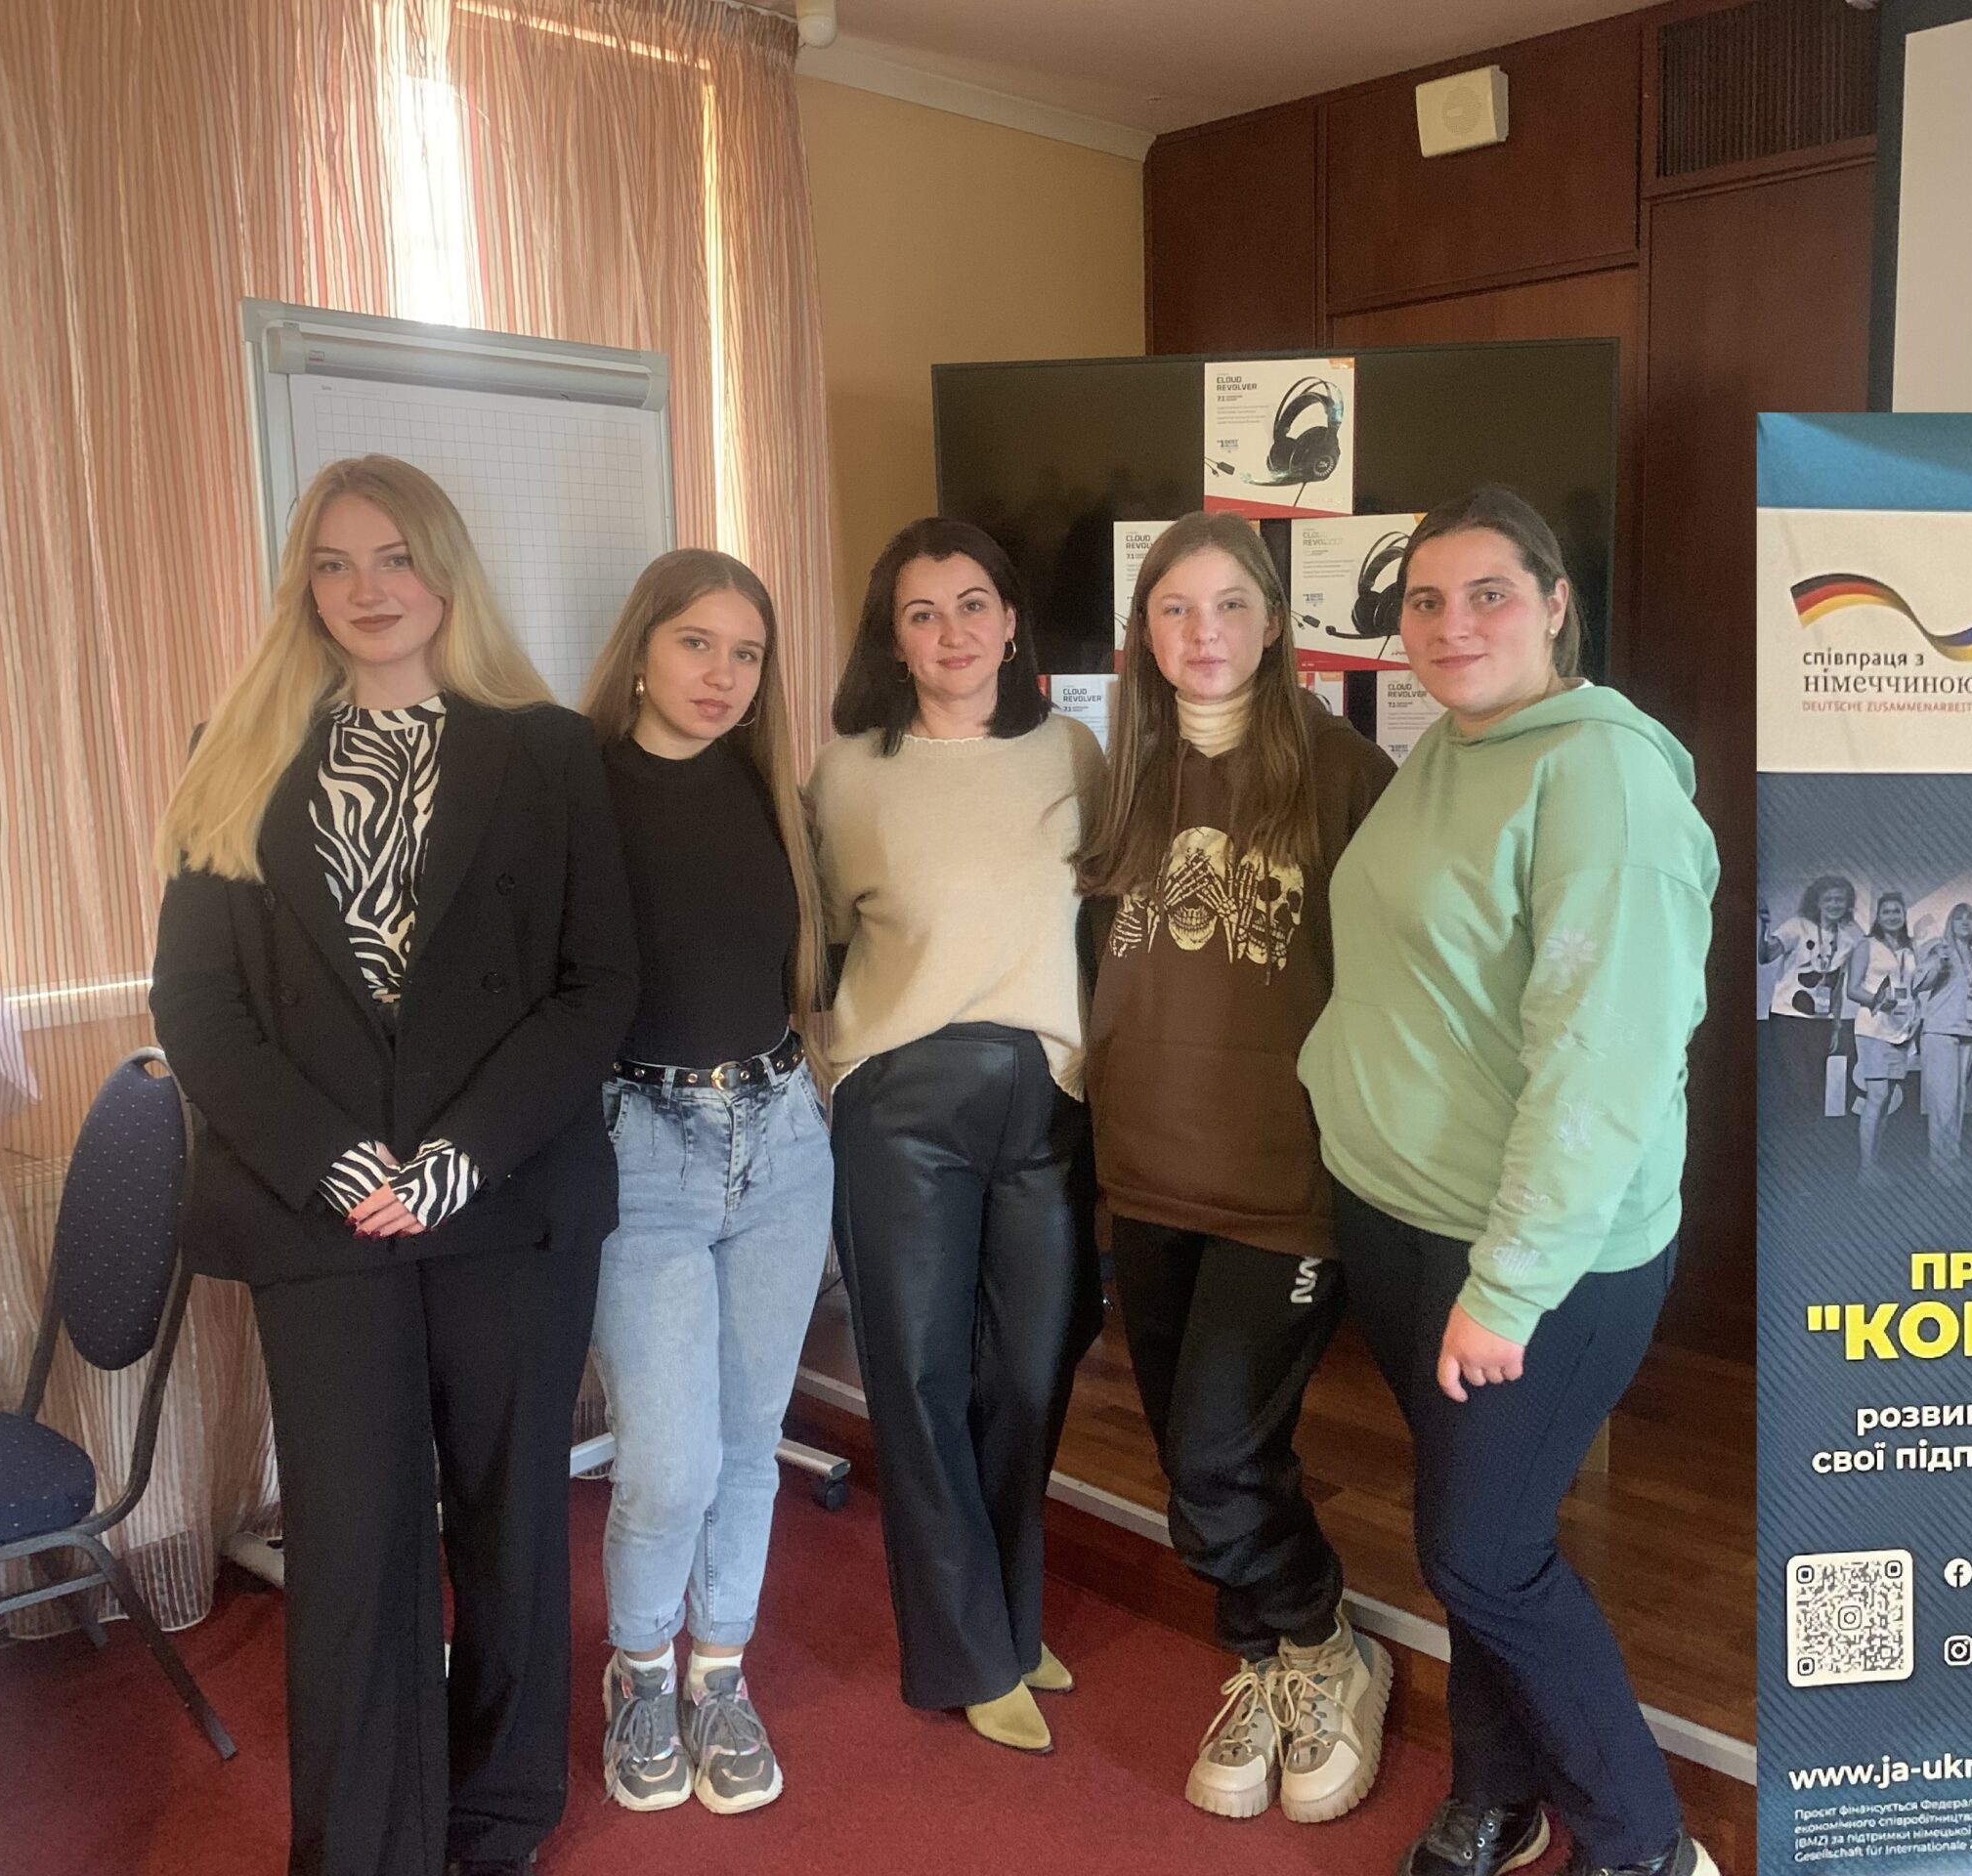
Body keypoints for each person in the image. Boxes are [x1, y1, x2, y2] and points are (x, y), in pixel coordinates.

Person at [149, 455, 636, 1876]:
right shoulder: (234, 749)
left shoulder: (548, 753)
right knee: (354, 1546)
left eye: (395, 557)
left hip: (505, 1200)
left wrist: (458, 1158)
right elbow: (197, 1004)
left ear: (446, 570)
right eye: (335, 563)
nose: (368, 589)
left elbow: (596, 986)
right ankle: (364, 1848)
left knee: (510, 1526)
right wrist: (335, 1160)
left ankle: (498, 1819)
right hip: (322, 1215)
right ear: (304, 586)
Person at [1300, 487, 1719, 1876]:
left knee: (1481, 1552)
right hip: (1401, 1212)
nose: (1451, 624)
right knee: (1474, 1526)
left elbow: (1605, 1060)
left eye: (1488, 593)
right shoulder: (1450, 745)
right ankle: (1498, 1787)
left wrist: (1510, 1283)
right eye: (1423, 601)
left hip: (1537, 1252)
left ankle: (1644, 1840)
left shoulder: (1604, 779)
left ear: (1554, 605)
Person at [1076, 513, 1396, 1823]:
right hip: (1145, 1174)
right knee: (1195, 1455)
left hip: (1287, 1190)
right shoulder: (1123, 776)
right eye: (1174, 609)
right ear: (1143, 635)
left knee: (1215, 1457)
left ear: (1273, 624)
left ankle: (1325, 1643)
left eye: (1227, 606)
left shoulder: (1349, 775)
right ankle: (1266, 1665)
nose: (1202, 633)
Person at [809, 519, 1106, 1754]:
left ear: (1011, 621)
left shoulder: (1073, 752)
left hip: (1045, 1098)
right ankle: (962, 1651)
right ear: (893, 638)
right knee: (920, 1383)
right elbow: (828, 938)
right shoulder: (845, 773)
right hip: (903, 1108)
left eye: (972, 604)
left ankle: (1008, 1619)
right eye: (921, 613)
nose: (951, 633)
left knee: (1030, 1374)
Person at [576, 551, 834, 1816]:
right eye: (696, 643)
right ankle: (638, 1671)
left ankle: (717, 1672)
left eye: (746, 653)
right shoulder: (575, 790)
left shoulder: (763, 788)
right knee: (667, 1462)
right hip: (643, 1152)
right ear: (640, 648)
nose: (722, 674)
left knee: (747, 1443)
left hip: (781, 1138)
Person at [1760, 875, 1860, 1123]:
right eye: (1829, 899)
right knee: (1796, 1079)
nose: (1834, 904)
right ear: (1817, 902)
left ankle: (1809, 1131)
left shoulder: (1847, 942)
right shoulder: (1797, 926)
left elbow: (1837, 987)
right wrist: (1764, 926)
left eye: (1840, 899)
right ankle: (1797, 1128)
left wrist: (1836, 1025)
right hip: (1787, 1016)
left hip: (1821, 1020)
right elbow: (1765, 956)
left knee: (1816, 1080)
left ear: (1847, 904)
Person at [1846, 891, 1918, 1189]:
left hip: (1901, 1031)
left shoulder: (1909, 949)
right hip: (1873, 1028)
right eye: (1886, 911)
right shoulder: (1867, 945)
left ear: (1903, 915)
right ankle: (1865, 1169)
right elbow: (1852, 989)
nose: (1892, 916)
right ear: (1878, 916)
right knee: (1876, 1096)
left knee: (1886, 1099)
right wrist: (1878, 1001)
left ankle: (1874, 1165)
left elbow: (1911, 988)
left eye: (1897, 911)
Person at [1914, 904, 1972, 1185]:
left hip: (1968, 1032)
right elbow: (1919, 984)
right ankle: (1939, 1166)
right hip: (1940, 1031)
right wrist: (1938, 965)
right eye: (1959, 918)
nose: (1965, 923)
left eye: (1970, 919)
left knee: (1958, 1103)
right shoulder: (1939, 950)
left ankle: (1952, 1161)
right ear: (1950, 923)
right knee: (1942, 1104)